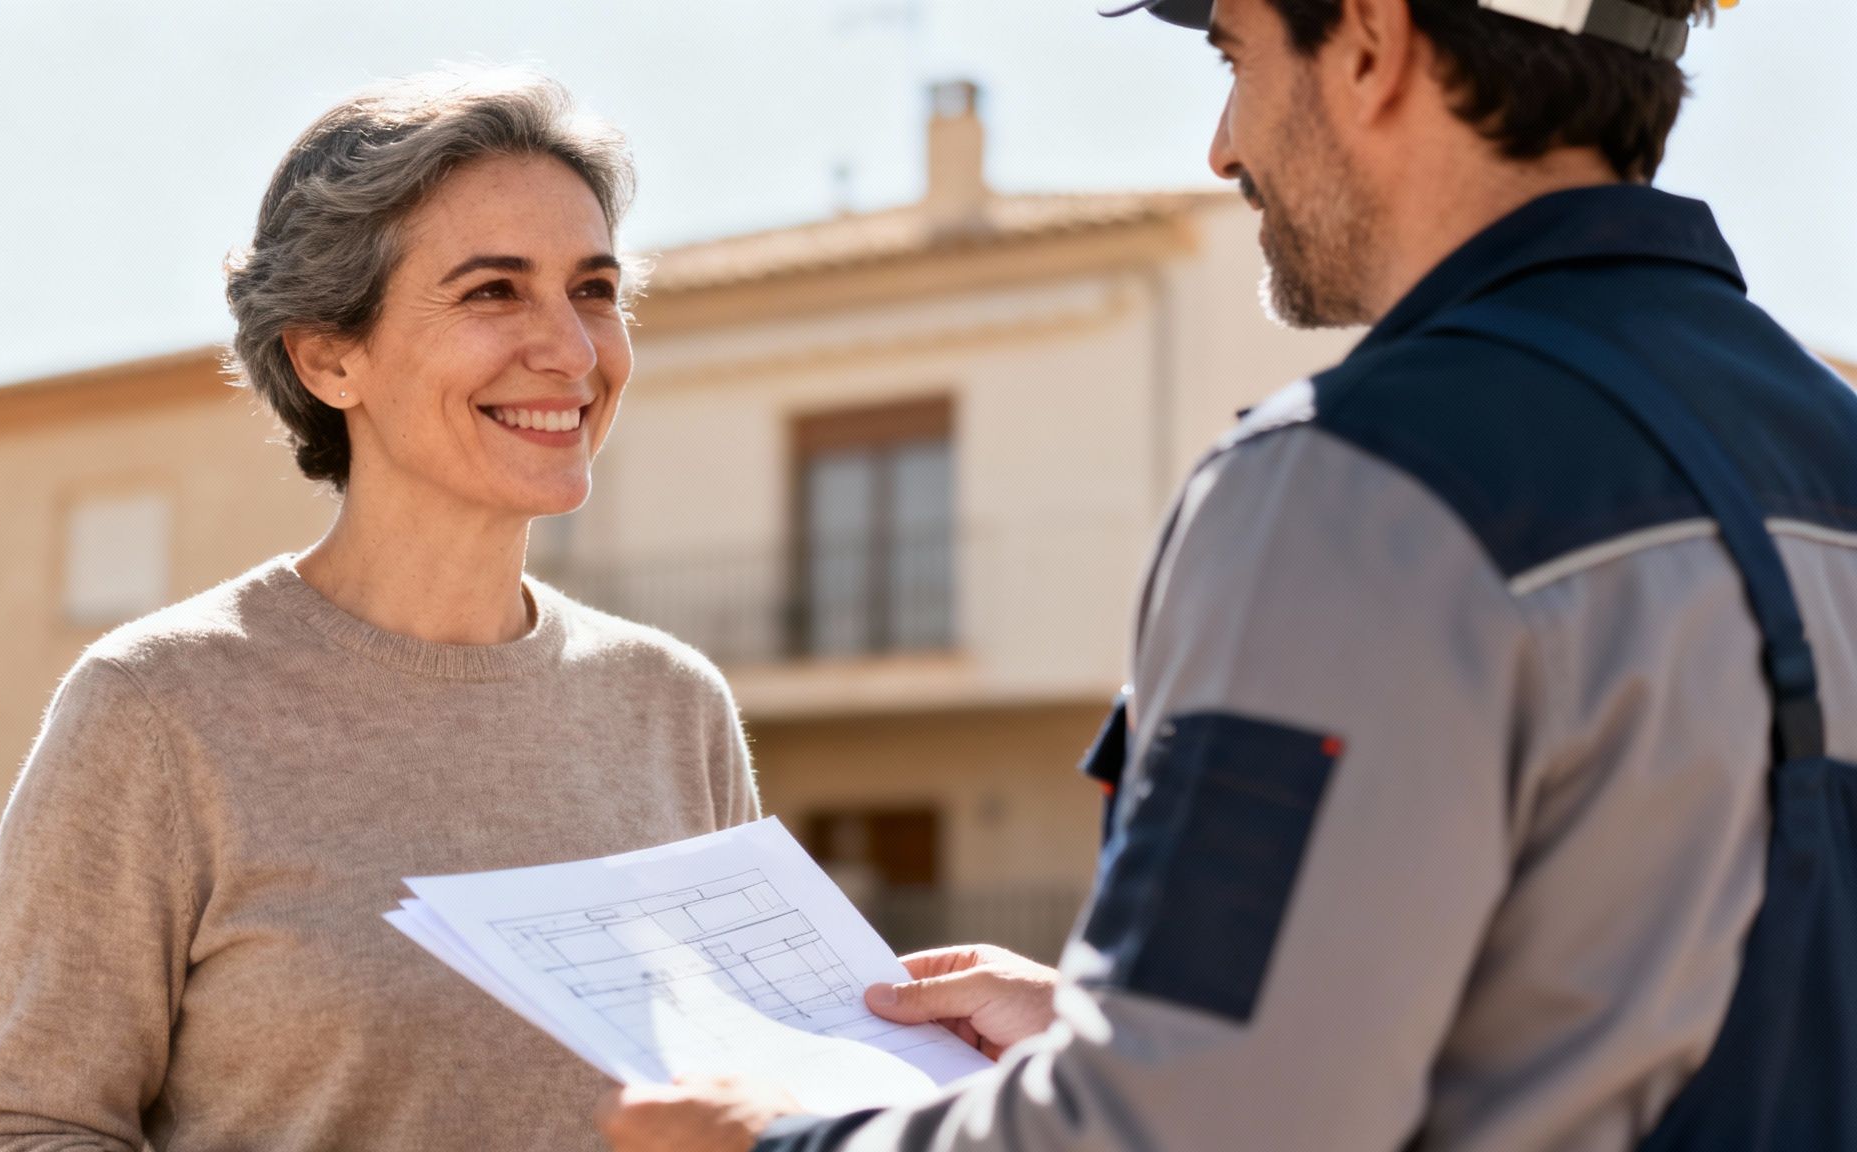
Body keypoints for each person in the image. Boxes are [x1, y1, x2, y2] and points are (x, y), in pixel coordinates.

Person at [598, 0, 1857, 1148]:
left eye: (1233, 55)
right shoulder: (1825, 449)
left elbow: (1193, 1131)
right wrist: (1115, 1020)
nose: (1219, 144)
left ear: (1367, 42)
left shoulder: (1354, 485)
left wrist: (775, 1143)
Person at [0, 69, 760, 1151]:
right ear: (328, 356)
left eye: (593, 289)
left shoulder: (671, 708)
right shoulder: (157, 709)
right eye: (492, 291)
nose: (570, 349)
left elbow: (757, 1086)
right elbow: (15, 1129)